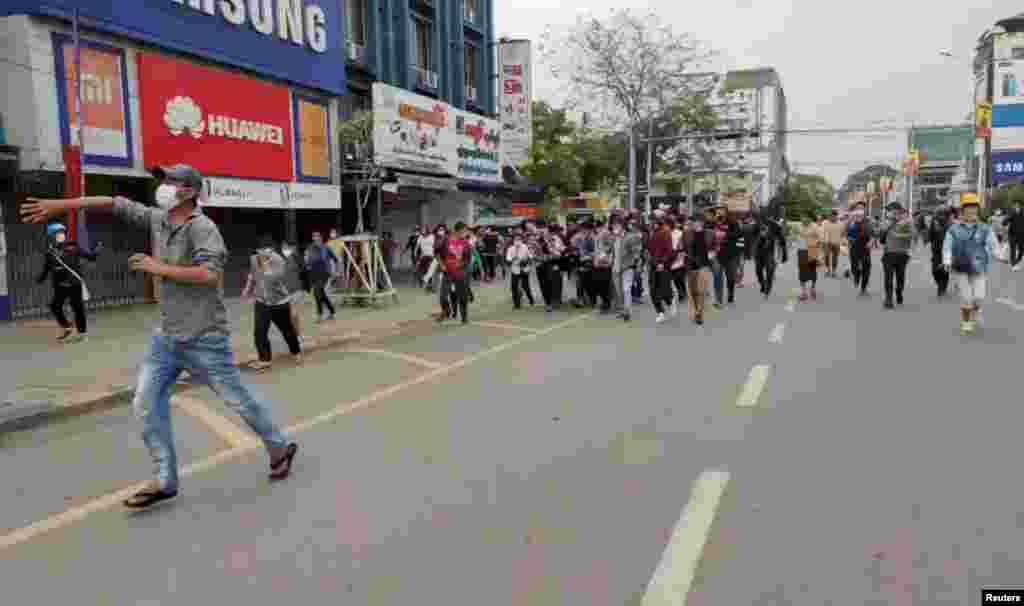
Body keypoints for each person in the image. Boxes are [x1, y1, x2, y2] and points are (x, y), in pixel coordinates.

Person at [20, 164, 298, 508]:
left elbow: (210, 275)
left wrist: (157, 267)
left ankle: (279, 447)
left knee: (238, 400)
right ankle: (165, 480)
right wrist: (62, 206)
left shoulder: (203, 229)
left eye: (173, 182)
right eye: (164, 180)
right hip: (166, 339)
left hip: (204, 338)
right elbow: (113, 202)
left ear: (191, 192)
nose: (165, 186)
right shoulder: (160, 219)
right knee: (145, 404)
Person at [242, 235, 302, 371]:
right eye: (262, 250)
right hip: (262, 301)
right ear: (258, 250)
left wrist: (267, 265)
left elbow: (273, 278)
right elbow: (252, 274)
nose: (266, 253)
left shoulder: (278, 261)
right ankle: (264, 359)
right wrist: (247, 288)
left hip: (279, 302)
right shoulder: (253, 259)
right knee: (259, 331)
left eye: (269, 250)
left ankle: (296, 352)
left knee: (287, 330)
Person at [38, 222, 99, 342]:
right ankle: (67, 327)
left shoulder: (73, 247)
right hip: (60, 285)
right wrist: (40, 279)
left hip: (74, 284)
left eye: (62, 232)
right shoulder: (50, 253)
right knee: (55, 306)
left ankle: (82, 333)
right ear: (51, 236)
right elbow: (47, 269)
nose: (61, 235)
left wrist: (96, 250)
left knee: (78, 307)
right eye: (58, 233)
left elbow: (90, 257)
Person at [943, 196, 995, 335]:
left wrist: (1001, 255)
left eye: (974, 208)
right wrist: (947, 260)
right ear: (963, 210)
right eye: (968, 208)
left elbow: (992, 244)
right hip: (961, 268)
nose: (971, 211)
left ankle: (974, 313)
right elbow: (947, 246)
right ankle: (966, 322)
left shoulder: (985, 228)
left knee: (979, 297)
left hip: (980, 267)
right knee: (966, 298)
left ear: (977, 209)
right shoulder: (954, 229)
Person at [436, 222, 473, 323]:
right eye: (465, 230)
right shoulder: (445, 240)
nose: (466, 233)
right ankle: (446, 310)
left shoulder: (466, 244)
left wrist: (462, 266)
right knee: (443, 296)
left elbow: (467, 259)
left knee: (462, 296)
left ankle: (464, 317)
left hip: (460, 273)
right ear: (459, 230)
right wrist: (442, 265)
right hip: (447, 272)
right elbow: (437, 253)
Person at [879, 202, 914, 309]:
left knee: (900, 277)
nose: (890, 212)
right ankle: (888, 299)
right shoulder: (887, 222)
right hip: (889, 253)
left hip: (902, 253)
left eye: (891, 210)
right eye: (889, 211)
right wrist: (885, 227)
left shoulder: (907, 220)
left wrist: (899, 234)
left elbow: (912, 235)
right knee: (888, 277)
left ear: (898, 210)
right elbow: (880, 236)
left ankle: (899, 292)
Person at [685, 209, 715, 326]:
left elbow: (714, 247)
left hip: (704, 265)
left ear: (702, 222)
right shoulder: (687, 233)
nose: (694, 223)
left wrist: (712, 254)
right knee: (693, 292)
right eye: (693, 221)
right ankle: (695, 308)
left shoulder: (710, 233)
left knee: (701, 291)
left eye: (696, 221)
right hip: (691, 265)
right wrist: (681, 252)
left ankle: (699, 314)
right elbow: (681, 247)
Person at [612, 214, 644, 322]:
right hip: (616, 268)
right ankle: (623, 310)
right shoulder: (614, 237)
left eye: (617, 225)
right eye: (614, 225)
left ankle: (627, 312)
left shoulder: (630, 237)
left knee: (626, 290)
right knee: (619, 291)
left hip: (627, 267)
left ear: (622, 226)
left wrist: (636, 263)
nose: (615, 227)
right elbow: (611, 251)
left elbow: (637, 251)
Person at [752, 211, 788, 298]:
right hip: (758, 252)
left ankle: (767, 290)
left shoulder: (775, 225)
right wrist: (760, 236)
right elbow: (752, 236)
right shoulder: (757, 224)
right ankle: (763, 284)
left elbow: (782, 239)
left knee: (770, 270)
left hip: (769, 252)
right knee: (758, 271)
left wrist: (784, 254)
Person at [647, 215, 675, 323]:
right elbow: (649, 249)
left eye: (652, 222)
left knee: (664, 289)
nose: (650, 224)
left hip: (662, 265)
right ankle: (660, 312)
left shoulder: (665, 232)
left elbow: (669, 250)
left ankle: (670, 302)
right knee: (653, 290)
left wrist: (662, 262)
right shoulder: (651, 232)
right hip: (653, 265)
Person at [304, 232, 337, 322]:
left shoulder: (326, 248)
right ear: (313, 239)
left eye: (318, 237)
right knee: (321, 294)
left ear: (321, 238)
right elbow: (307, 260)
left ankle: (319, 315)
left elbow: (335, 259)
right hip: (314, 274)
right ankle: (332, 312)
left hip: (324, 273)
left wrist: (335, 271)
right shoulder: (310, 248)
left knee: (317, 292)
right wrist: (307, 267)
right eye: (314, 237)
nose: (316, 239)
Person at [847, 203, 874, 296]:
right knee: (854, 267)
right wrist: (848, 238)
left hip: (865, 247)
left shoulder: (869, 221)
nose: (860, 210)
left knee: (866, 268)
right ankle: (856, 276)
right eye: (858, 208)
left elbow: (873, 234)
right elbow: (845, 233)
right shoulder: (851, 221)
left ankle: (863, 288)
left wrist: (871, 241)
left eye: (862, 208)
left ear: (865, 210)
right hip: (854, 247)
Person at [505, 228, 535, 308]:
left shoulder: (525, 247)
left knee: (526, 287)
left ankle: (531, 299)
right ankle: (516, 304)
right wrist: (512, 259)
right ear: (513, 240)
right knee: (514, 287)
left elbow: (531, 257)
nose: (517, 240)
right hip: (515, 270)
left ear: (521, 239)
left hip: (524, 269)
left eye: (519, 239)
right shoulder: (510, 249)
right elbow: (508, 259)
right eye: (516, 239)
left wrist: (526, 261)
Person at [797, 214, 822, 302]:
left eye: (805, 217)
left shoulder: (815, 227)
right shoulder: (799, 226)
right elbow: (795, 236)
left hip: (812, 251)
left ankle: (812, 288)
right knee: (802, 271)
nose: (803, 219)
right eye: (802, 217)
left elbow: (820, 238)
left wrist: (816, 246)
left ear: (809, 218)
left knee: (812, 271)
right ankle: (803, 292)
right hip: (801, 251)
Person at [929, 208, 954, 297]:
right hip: (936, 250)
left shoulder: (950, 225)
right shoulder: (934, 223)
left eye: (943, 215)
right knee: (935, 271)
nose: (941, 217)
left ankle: (942, 287)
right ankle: (940, 285)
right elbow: (930, 235)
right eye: (939, 215)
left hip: (947, 250)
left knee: (944, 269)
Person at [822, 211, 845, 278]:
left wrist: (843, 241)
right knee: (826, 256)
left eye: (834, 216)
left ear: (836, 216)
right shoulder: (825, 223)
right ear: (829, 216)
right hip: (827, 242)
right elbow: (823, 232)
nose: (832, 217)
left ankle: (834, 271)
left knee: (835, 257)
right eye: (831, 216)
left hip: (836, 243)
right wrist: (823, 241)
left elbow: (843, 233)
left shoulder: (840, 224)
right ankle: (827, 269)